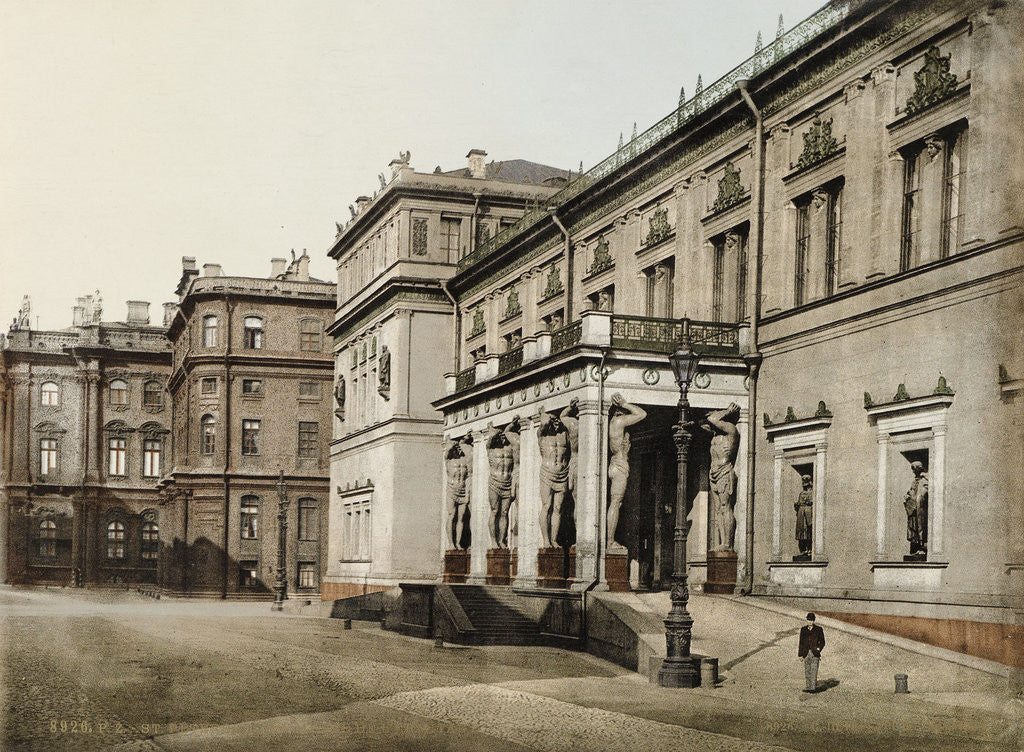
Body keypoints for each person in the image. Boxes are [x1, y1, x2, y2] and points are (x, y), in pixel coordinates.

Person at [606, 394, 646, 551]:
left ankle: (610, 539)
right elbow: (642, 414)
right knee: (616, 502)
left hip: (615, 464)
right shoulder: (619, 421)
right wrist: (626, 403)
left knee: (617, 503)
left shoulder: (613, 423)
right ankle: (610, 541)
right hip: (620, 465)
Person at [798, 612, 826, 692]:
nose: (810, 622)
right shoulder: (803, 630)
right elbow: (801, 643)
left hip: (815, 653)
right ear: (807, 620)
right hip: (806, 653)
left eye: (812, 620)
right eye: (809, 620)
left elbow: (823, 642)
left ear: (814, 621)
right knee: (807, 671)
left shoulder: (819, 629)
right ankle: (808, 687)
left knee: (814, 671)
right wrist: (800, 655)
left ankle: (812, 688)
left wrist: (818, 649)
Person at [795, 474, 813, 558]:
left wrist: (808, 503)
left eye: (806, 482)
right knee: (801, 531)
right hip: (801, 514)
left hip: (808, 513)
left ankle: (809, 549)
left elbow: (812, 502)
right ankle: (803, 550)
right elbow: (799, 503)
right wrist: (797, 504)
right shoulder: (801, 493)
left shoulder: (812, 493)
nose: (804, 484)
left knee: (808, 531)